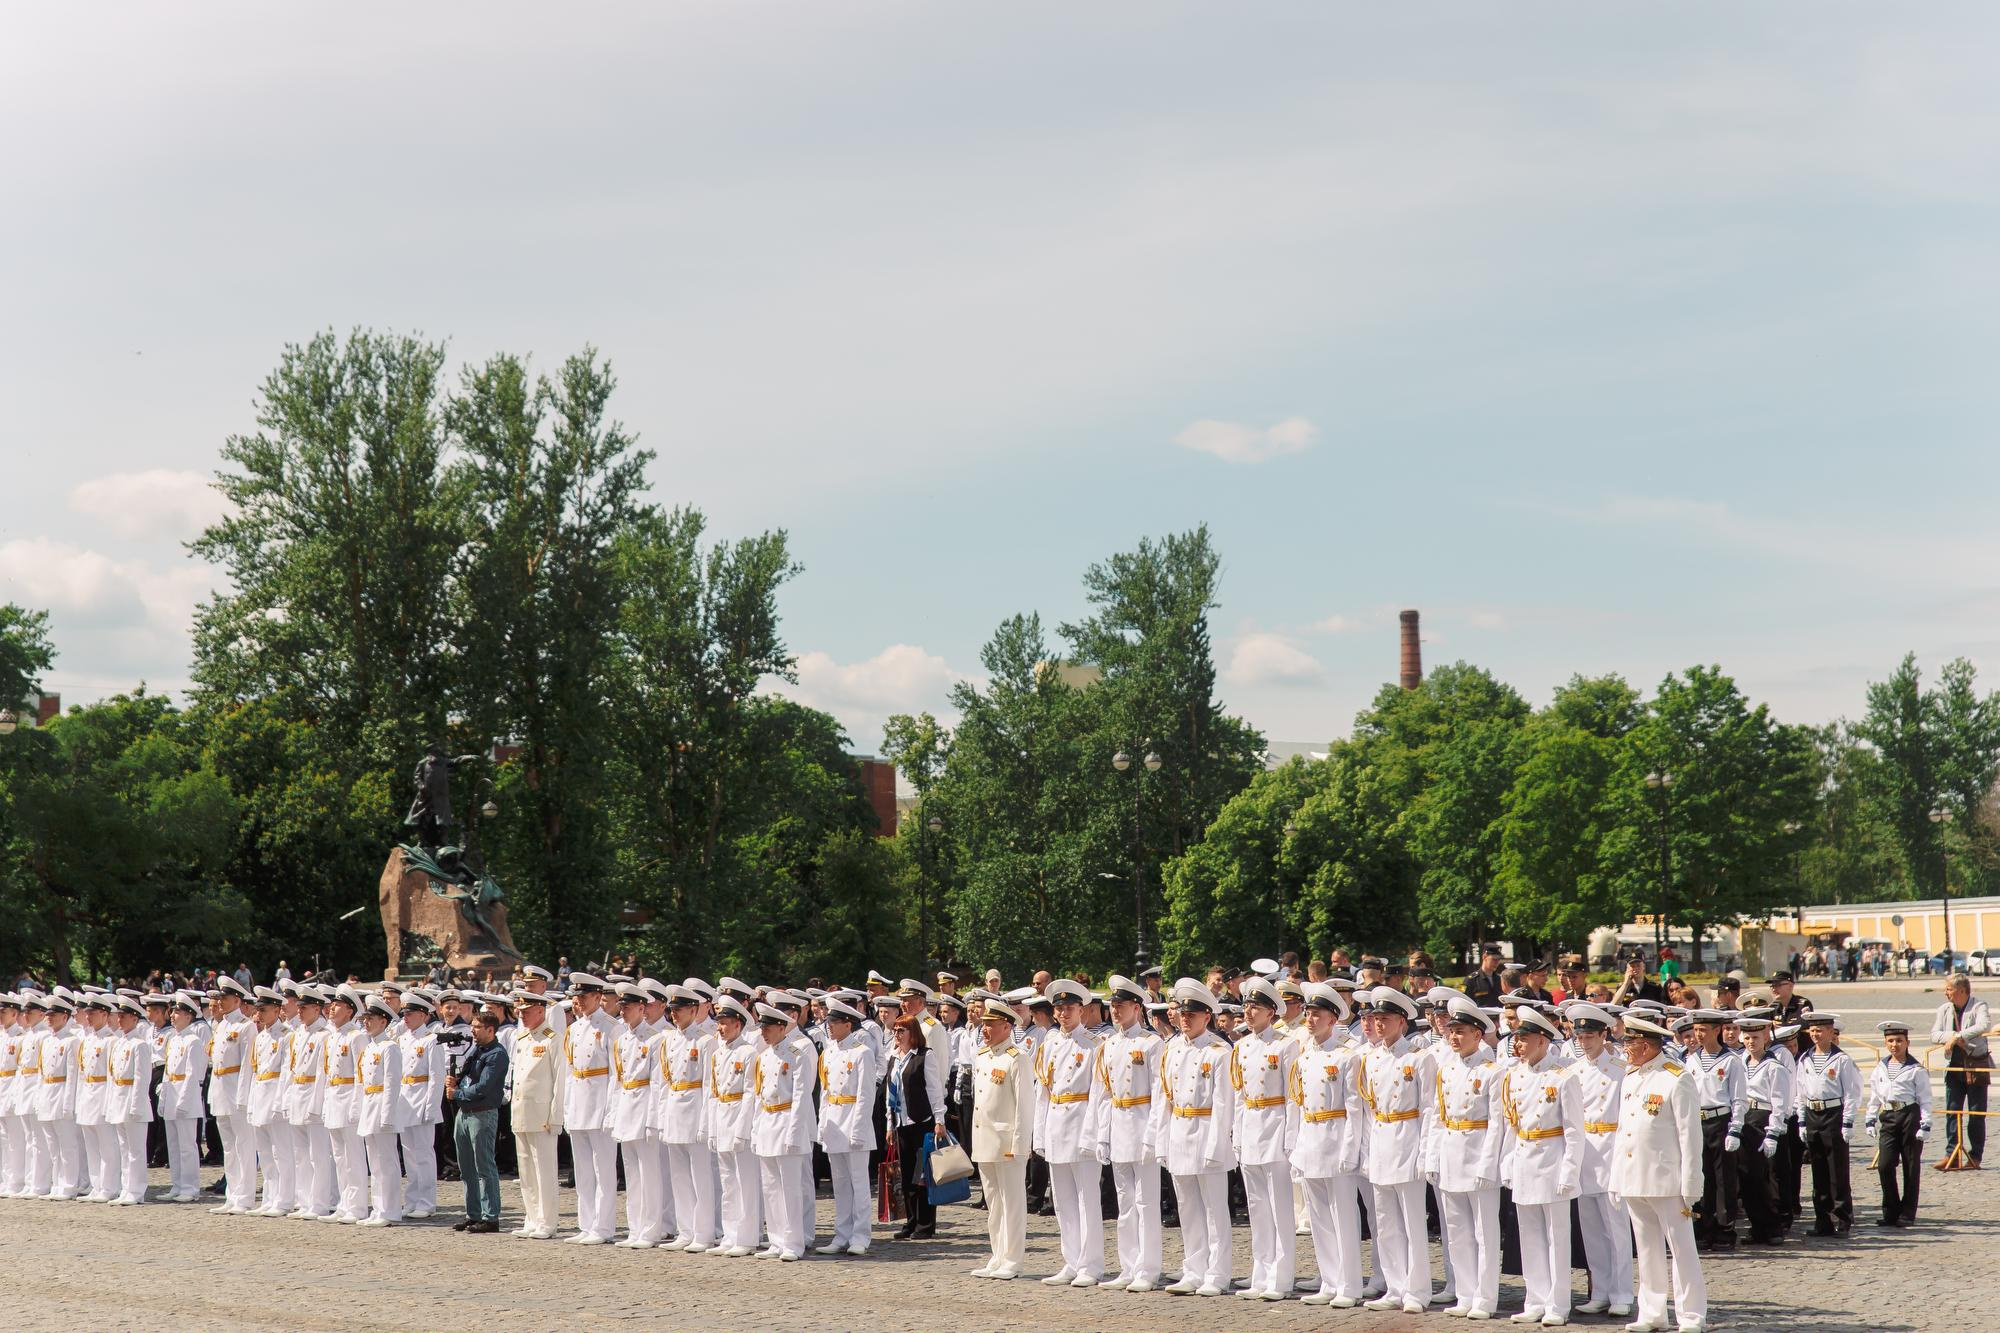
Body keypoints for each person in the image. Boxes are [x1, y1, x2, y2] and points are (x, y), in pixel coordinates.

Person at [1498, 1004, 1582, 1327]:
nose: (1518, 1044)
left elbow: (1574, 1131)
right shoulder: (1515, 1076)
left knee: (1557, 1238)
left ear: (1543, 1041)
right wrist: (1507, 1161)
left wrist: (1569, 1170)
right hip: (1524, 1159)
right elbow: (1512, 1124)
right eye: (1517, 1038)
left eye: (1525, 1038)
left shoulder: (1563, 1078)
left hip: (1552, 1160)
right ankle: (1535, 1298)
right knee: (1529, 1235)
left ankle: (1558, 1302)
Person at [1429, 996, 1504, 1320]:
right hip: (1451, 1154)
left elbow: (1498, 1123)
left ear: (1478, 1034)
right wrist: (1432, 1158)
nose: (1454, 1037)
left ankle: (1485, 1297)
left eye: (1461, 1031)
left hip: (1478, 1155)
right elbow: (1437, 1117)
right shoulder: (1445, 1071)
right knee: (1457, 1229)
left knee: (1484, 1232)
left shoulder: (1492, 1072)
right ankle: (1464, 1292)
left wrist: (1488, 1164)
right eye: (1452, 1031)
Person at [1230, 976, 1296, 1302]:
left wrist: (1290, 1137)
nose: (1248, 1011)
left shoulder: (1285, 1046)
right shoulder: (1241, 1046)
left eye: (1255, 1006)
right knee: (1257, 1208)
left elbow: (1292, 1098)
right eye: (1246, 1005)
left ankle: (1281, 1276)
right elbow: (1240, 1097)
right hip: (1252, 1129)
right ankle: (1261, 1271)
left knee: (1280, 1208)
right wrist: (1238, 1135)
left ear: (1271, 1012)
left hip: (1276, 1127)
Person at [969, 997, 1030, 1280]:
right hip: (985, 1141)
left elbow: (1024, 1106)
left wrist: (1019, 1145)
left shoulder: (1017, 1058)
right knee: (994, 1204)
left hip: (1006, 1143)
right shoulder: (982, 1057)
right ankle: (997, 1255)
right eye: (984, 1024)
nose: (985, 1029)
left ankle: (1013, 1259)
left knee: (1013, 1203)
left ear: (1007, 1027)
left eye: (991, 1025)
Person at [814, 995, 877, 1256]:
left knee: (859, 1183)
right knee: (840, 1183)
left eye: (835, 1022)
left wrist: (858, 1128)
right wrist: (822, 1124)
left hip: (853, 1120)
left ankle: (860, 1235)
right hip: (834, 1121)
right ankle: (842, 1234)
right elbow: (825, 1092)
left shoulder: (862, 1053)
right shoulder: (829, 1052)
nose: (829, 1026)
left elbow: (865, 1095)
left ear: (848, 1024)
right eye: (829, 1021)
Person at [561, 974, 618, 1244]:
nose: (579, 1001)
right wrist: (567, 1107)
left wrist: (611, 1110)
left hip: (599, 1102)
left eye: (585, 996)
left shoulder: (610, 1027)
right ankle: (586, 1223)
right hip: (579, 1102)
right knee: (583, 1170)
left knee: (603, 1170)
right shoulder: (574, 1029)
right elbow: (571, 1072)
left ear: (598, 997)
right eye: (578, 996)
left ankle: (603, 1226)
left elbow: (616, 1075)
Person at [1685, 1009, 1746, 1251]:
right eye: (1696, 1030)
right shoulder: (1691, 1060)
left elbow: (1739, 1097)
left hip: (1720, 1121)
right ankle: (1703, 1224)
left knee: (1723, 1178)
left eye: (1703, 1030)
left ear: (1717, 1031)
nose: (1699, 1035)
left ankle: (1724, 1227)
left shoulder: (1731, 1060)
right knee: (1701, 1176)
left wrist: (1736, 1128)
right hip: (1697, 1122)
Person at [1796, 1012, 1860, 1236]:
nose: (1815, 1034)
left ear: (1832, 1033)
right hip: (1813, 1113)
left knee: (1837, 1170)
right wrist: (1802, 1120)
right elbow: (1801, 1091)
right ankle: (1822, 1220)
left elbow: (1852, 1093)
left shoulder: (1841, 1060)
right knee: (1819, 1170)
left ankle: (1843, 1217)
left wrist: (1848, 1121)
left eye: (1820, 1030)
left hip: (1834, 1113)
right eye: (1812, 1030)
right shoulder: (1805, 1058)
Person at [508, 990, 564, 1239]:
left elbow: (559, 1081)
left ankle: (547, 1221)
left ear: (541, 1011)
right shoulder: (522, 1039)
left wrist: (555, 1116)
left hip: (542, 1114)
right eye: (519, 1012)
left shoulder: (552, 1039)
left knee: (544, 1171)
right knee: (526, 1171)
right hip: (521, 1112)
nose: (522, 1016)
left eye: (527, 1011)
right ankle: (531, 1217)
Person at [1866, 1020, 1932, 1226]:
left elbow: (1925, 1098)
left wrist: (1925, 1123)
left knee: (1910, 1166)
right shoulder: (1881, 1068)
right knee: (1885, 1165)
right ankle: (1890, 1210)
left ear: (1907, 1042)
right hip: (1888, 1116)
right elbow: (1875, 1095)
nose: (1895, 1045)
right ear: (1886, 1043)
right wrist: (1870, 1118)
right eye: (1891, 1041)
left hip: (1909, 1115)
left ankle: (1907, 1212)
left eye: (1899, 1040)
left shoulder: (1916, 1069)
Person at [1734, 1017, 1792, 1246]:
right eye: (1747, 1037)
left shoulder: (1774, 1066)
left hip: (1763, 1118)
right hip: (1745, 1117)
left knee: (1764, 1177)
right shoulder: (1740, 1062)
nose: (1751, 1042)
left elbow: (1780, 1102)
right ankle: (1757, 1226)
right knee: (1747, 1177)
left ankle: (1772, 1226)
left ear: (1766, 1037)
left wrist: (1773, 1132)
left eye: (1755, 1037)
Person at [448, 1011, 507, 1233]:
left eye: (477, 1027)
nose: (472, 1030)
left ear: (490, 1030)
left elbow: (484, 1087)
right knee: (466, 1168)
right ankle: (473, 1213)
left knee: (484, 1167)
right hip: (465, 1113)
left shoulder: (497, 1054)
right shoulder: (477, 1050)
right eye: (472, 1026)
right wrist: (456, 1082)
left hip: (482, 1113)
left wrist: (457, 1094)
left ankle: (490, 1216)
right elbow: (469, 1078)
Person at [1929, 973, 1989, 1170]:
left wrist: (1957, 1038)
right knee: (1952, 1110)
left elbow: (1982, 1026)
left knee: (1976, 1113)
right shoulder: (1944, 1009)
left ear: (1961, 990)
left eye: (1949, 989)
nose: (1946, 993)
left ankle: (1975, 1156)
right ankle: (1951, 1154)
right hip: (1953, 1068)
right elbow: (1934, 1034)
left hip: (1975, 1067)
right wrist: (1954, 1036)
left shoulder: (1979, 1006)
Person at [355, 997, 406, 1226]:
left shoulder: (390, 1047)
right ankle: (378, 1208)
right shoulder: (369, 1047)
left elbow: (392, 1083)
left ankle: (390, 1210)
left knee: (387, 1162)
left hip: (383, 1106)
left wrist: (387, 1115)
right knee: (374, 1163)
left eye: (371, 1019)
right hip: (369, 1104)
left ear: (383, 1021)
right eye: (365, 1018)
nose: (366, 1023)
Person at [395, 992, 444, 1219]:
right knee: (409, 1156)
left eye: (410, 1013)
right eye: (404, 1012)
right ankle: (412, 1199)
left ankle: (426, 1201)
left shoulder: (431, 1040)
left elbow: (436, 1078)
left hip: (422, 1098)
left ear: (423, 1015)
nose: (405, 1016)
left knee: (424, 1155)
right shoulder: (403, 1039)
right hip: (405, 1101)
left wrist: (431, 1108)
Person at [159, 992, 208, 1202]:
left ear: (189, 1016)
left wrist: (183, 1100)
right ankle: (177, 1184)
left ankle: (190, 1187)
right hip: (172, 1092)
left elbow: (192, 1073)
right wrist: (163, 1096)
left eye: (178, 1012)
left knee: (188, 1145)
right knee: (174, 1144)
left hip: (185, 1097)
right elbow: (167, 1071)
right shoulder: (174, 1039)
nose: (173, 1015)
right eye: (173, 1011)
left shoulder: (193, 1041)